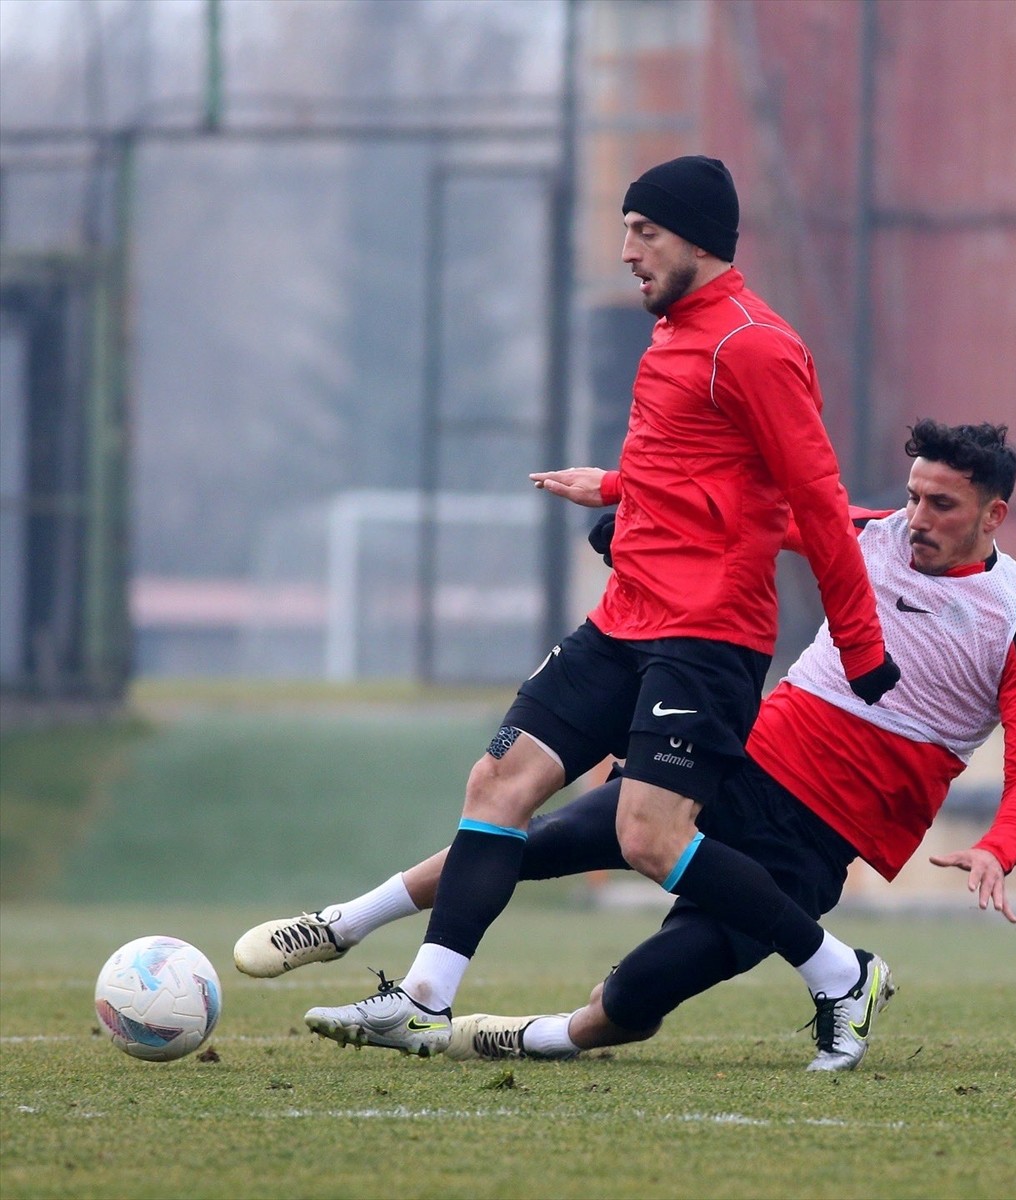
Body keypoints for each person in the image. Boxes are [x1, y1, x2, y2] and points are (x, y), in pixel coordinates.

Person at [235, 155, 898, 1057]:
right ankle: (424, 999)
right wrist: (622, 488)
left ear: (699, 239)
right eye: (625, 228)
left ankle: (838, 974)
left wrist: (860, 646)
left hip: (705, 639)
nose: (626, 249)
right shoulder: (673, 334)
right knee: (497, 784)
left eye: (644, 231)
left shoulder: (757, 344)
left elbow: (812, 499)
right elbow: (705, 470)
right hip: (622, 619)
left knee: (651, 839)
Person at [237, 420, 1016, 1073]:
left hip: (813, 844)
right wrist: (621, 492)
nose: (917, 520)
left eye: (942, 506)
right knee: (529, 840)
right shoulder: (870, 535)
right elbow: (734, 508)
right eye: (913, 497)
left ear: (994, 516)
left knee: (629, 1002)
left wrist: (999, 846)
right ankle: (343, 924)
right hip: (738, 770)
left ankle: (518, 1038)